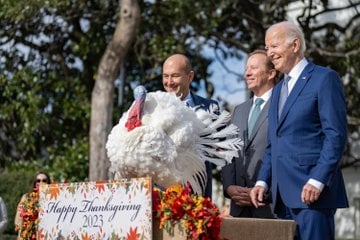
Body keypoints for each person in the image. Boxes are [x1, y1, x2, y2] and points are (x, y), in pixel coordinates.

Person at [250, 21, 348, 240]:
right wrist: (262, 181)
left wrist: (317, 179)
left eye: (273, 46)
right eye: (266, 48)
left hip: (311, 194)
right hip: (280, 198)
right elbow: (272, 144)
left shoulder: (324, 79)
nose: (269, 53)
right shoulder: (277, 91)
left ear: (294, 45)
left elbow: (336, 135)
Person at [222, 50, 278, 218]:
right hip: (239, 208)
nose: (247, 73)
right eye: (246, 68)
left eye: (253, 68)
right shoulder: (239, 110)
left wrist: (265, 190)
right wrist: (229, 187)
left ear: (271, 73)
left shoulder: (283, 105)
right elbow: (229, 152)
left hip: (269, 206)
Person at [162, 53, 219, 199]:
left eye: (175, 76)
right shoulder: (151, 108)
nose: (169, 82)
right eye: (165, 76)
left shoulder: (210, 108)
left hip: (197, 193)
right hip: (160, 192)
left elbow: (218, 151)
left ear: (190, 76)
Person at [15, 171, 51, 239]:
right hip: (29, 234)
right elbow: (19, 219)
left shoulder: (52, 199)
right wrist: (22, 234)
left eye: (44, 180)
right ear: (35, 183)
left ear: (48, 182)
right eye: (38, 180)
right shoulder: (26, 197)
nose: (41, 182)